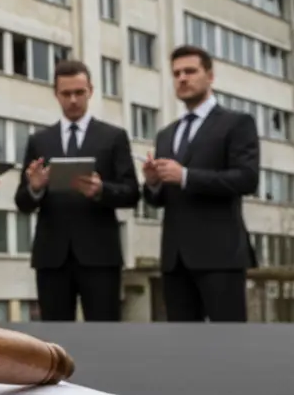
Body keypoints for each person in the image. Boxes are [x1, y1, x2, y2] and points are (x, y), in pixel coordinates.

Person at [15, 59, 140, 321]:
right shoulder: (39, 141)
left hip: (100, 255)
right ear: (55, 94)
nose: (73, 100)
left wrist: (100, 190)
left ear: (91, 91)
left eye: (79, 93)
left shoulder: (113, 137)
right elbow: (22, 202)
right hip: (52, 256)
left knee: (105, 337)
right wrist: (35, 187)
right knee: (57, 340)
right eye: (66, 93)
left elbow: (131, 193)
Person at [142, 44, 259, 322]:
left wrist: (185, 176)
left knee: (229, 348)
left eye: (190, 71)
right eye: (176, 73)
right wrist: (153, 183)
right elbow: (158, 199)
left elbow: (246, 178)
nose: (182, 78)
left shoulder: (237, 123)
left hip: (221, 256)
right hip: (175, 259)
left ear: (210, 75)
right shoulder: (166, 134)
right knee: (183, 350)